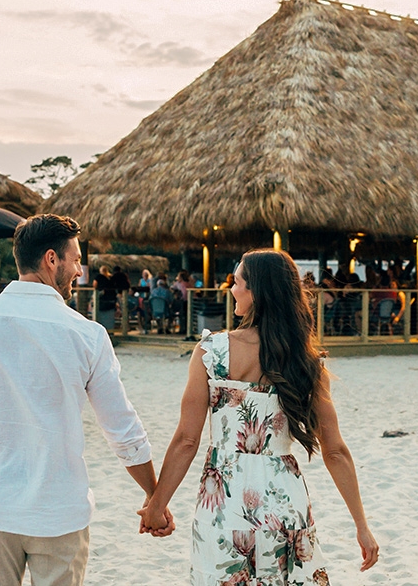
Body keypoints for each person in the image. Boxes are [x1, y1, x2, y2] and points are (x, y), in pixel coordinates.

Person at [0, 214, 162, 586]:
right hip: (59, 511)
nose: (80, 270)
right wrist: (154, 496)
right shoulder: (87, 335)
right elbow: (123, 431)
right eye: (76, 260)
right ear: (51, 259)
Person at [139, 249, 379, 584]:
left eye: (237, 282)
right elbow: (335, 451)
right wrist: (362, 526)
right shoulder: (305, 362)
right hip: (285, 503)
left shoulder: (211, 353)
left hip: (224, 503)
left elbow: (186, 441)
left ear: (255, 291)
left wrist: (156, 506)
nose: (231, 289)